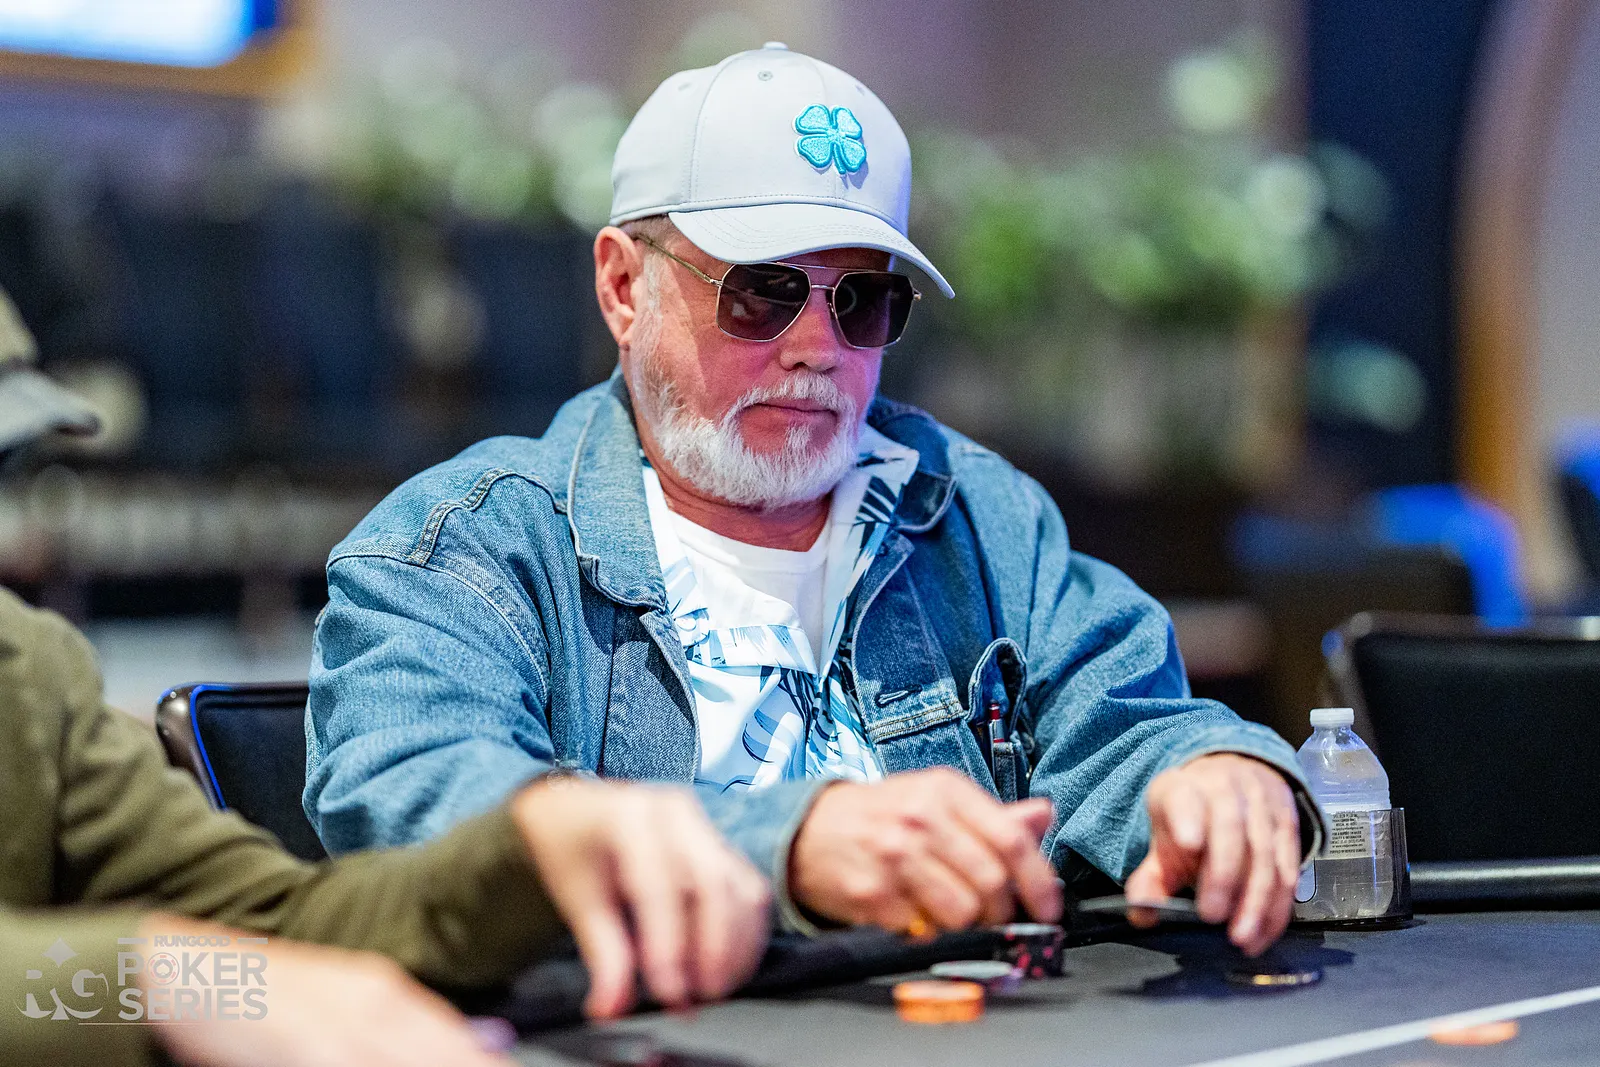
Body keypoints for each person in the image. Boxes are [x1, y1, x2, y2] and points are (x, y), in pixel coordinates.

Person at [305, 45, 1324, 958]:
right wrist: (785, 844)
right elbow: (424, 815)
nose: (816, 348)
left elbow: (1125, 726)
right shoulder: (463, 550)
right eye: (762, 291)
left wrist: (1209, 775)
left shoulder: (977, 513)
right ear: (621, 287)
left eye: (862, 299)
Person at [0, 307, 771, 1066]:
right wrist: (164, 981)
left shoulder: (27, 672)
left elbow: (278, 923)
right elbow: (225, 967)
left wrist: (530, 847)